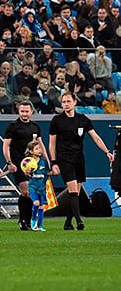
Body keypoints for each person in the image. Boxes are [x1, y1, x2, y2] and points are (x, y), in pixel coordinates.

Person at [49, 93, 115, 230]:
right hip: (64, 158)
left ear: (74, 102)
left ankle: (68, 222)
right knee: (72, 189)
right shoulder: (57, 120)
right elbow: (52, 143)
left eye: (68, 101)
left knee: (76, 192)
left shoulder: (83, 120)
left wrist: (106, 151)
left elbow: (95, 137)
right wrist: (54, 162)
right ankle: (79, 221)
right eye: (63, 102)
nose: (66, 104)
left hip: (79, 158)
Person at [2, 101, 48, 230]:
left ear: (31, 112)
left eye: (27, 111)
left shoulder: (35, 127)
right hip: (19, 163)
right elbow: (6, 146)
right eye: (22, 111)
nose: (24, 114)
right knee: (26, 191)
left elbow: (41, 145)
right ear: (18, 112)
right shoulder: (12, 126)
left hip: (33, 165)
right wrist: (9, 162)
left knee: (32, 193)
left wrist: (48, 161)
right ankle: (23, 220)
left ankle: (28, 221)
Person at [25, 139, 50, 232]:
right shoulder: (28, 162)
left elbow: (46, 173)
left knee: (41, 206)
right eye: (37, 149)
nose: (39, 150)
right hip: (33, 187)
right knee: (36, 203)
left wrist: (52, 173)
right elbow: (26, 173)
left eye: (40, 148)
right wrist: (28, 172)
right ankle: (33, 220)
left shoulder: (43, 162)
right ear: (31, 151)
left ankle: (40, 225)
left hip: (42, 188)